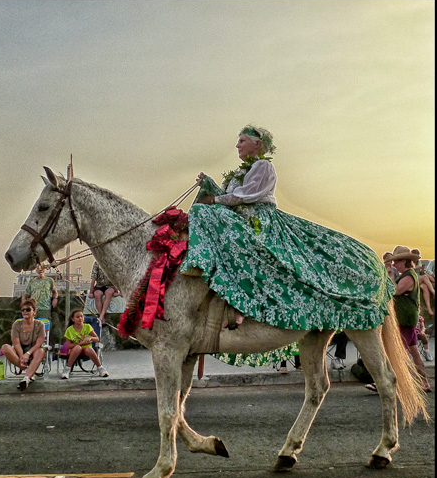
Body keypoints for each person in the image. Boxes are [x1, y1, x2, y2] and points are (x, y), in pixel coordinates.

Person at [181, 125, 395, 368]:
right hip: (244, 217)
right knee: (207, 213)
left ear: (257, 145)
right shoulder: (245, 170)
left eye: (242, 140)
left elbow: (245, 196)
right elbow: (232, 196)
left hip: (260, 221)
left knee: (204, 214)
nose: (237, 145)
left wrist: (215, 200)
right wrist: (208, 185)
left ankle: (213, 277)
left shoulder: (263, 166)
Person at [366, 246, 431, 393]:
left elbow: (395, 291)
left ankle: (389, 382)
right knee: (414, 352)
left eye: (397, 262)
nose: (395, 265)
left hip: (404, 320)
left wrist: (390, 275)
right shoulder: (409, 275)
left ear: (404, 261)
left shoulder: (408, 277)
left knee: (395, 353)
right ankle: (424, 383)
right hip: (408, 319)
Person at [0, 298, 46, 391]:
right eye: (23, 310)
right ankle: (29, 372)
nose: (25, 311)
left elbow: (39, 343)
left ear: (34, 312)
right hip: (19, 350)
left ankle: (26, 379)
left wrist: (28, 354)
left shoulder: (40, 324)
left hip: (33, 350)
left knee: (41, 351)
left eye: (28, 309)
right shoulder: (17, 324)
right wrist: (22, 356)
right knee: (5, 347)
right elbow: (16, 343)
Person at [60, 309, 109, 379]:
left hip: (86, 350)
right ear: (72, 319)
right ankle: (67, 369)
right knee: (78, 348)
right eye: (77, 317)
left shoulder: (87, 327)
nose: (80, 318)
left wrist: (90, 338)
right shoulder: (69, 330)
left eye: (81, 316)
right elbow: (69, 346)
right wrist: (81, 343)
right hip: (74, 350)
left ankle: (100, 368)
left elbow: (97, 338)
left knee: (89, 349)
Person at [411, 248, 435, 315]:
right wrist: (415, 268)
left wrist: (422, 270)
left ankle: (429, 308)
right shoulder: (409, 262)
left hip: (419, 278)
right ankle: (433, 292)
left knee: (425, 287)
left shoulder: (419, 262)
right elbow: (407, 271)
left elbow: (422, 272)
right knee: (425, 277)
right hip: (412, 279)